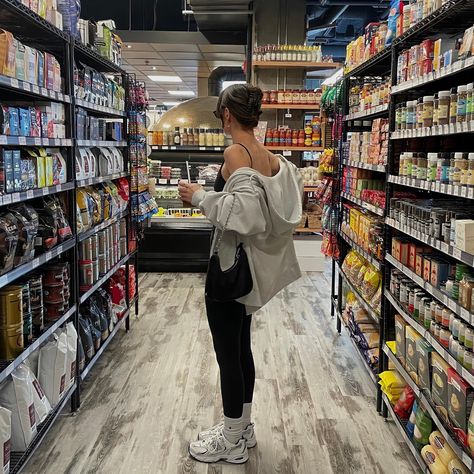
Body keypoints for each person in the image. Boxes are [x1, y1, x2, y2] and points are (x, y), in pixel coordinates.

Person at [178, 84, 303, 464]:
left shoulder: (235, 151)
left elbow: (246, 215)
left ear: (227, 115)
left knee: (226, 355)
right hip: (252, 271)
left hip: (231, 269)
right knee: (240, 347)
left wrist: (199, 196)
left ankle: (231, 440)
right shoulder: (271, 157)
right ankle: (242, 426)